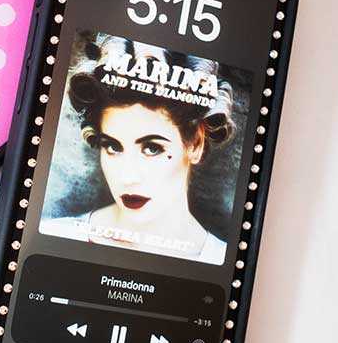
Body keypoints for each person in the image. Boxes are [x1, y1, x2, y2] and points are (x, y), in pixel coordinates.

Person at [45, 35, 236, 264]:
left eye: (152, 148)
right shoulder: (55, 237)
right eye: (112, 146)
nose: (128, 177)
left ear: (195, 143)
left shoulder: (222, 261)